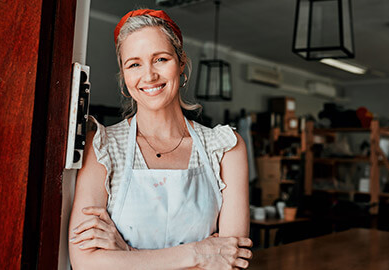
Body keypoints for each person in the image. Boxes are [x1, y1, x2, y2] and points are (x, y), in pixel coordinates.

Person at [68, 8, 252, 269]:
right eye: (134, 64)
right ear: (124, 78)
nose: (149, 75)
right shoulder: (102, 147)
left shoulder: (225, 148)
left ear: (181, 64)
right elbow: (85, 263)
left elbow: (231, 261)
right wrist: (198, 254)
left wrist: (126, 253)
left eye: (161, 59)